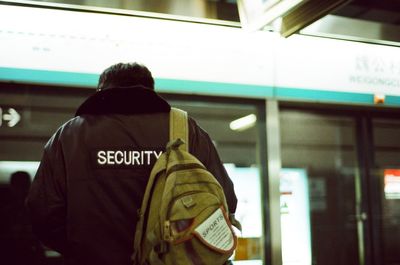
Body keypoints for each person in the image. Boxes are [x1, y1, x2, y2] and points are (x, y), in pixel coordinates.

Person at [26, 62, 238, 265]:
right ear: (151, 90)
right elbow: (224, 201)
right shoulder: (186, 130)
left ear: (101, 91)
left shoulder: (69, 136)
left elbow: (42, 214)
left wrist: (83, 250)